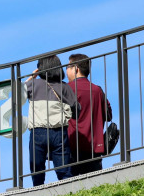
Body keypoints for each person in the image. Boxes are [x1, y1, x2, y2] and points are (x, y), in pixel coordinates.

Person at [25, 55, 80, 186]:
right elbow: (76, 110)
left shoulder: (33, 84)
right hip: (59, 132)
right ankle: (70, 193)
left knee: (37, 169)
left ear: (40, 68)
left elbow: (19, 93)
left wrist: (32, 76)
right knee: (64, 170)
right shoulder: (64, 87)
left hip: (38, 132)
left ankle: (38, 194)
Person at [66, 53, 114, 176]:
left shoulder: (66, 89)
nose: (66, 71)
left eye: (67, 67)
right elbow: (108, 115)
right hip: (94, 147)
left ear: (75, 68)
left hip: (72, 145)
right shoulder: (97, 90)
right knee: (95, 184)